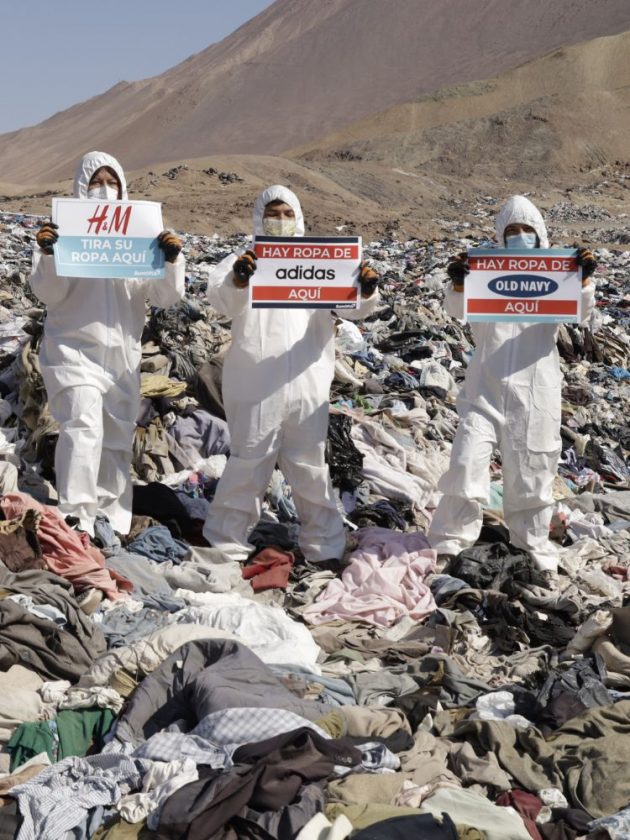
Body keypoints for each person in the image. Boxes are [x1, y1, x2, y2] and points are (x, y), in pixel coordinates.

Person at [203, 184, 380, 563]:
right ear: (259, 217)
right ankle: (226, 544)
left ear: (298, 219)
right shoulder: (242, 260)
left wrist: (365, 291)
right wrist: (239, 279)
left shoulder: (323, 264)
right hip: (255, 384)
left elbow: (352, 309)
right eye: (273, 213)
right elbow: (220, 301)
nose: (279, 220)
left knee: (310, 467)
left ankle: (325, 547)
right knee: (247, 465)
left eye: (287, 214)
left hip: (307, 381)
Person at [427, 195, 597, 574]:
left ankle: (533, 547)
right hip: (484, 391)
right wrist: (458, 284)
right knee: (466, 465)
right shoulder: (484, 275)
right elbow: (457, 309)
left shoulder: (557, 277)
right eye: (511, 231)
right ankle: (448, 544)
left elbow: (582, 311)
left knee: (532, 476)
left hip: (536, 393)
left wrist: (582, 280)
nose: (519, 236)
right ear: (500, 236)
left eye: (526, 230)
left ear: (540, 235)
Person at [31, 151, 185, 537]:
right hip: (73, 351)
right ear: (82, 187)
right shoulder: (63, 234)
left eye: (111, 182)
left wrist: (170, 260)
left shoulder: (139, 239)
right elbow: (47, 292)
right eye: (96, 182)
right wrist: (50, 255)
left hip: (122, 356)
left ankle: (112, 522)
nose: (104, 189)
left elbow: (165, 297)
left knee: (115, 440)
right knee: (82, 428)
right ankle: (78, 520)